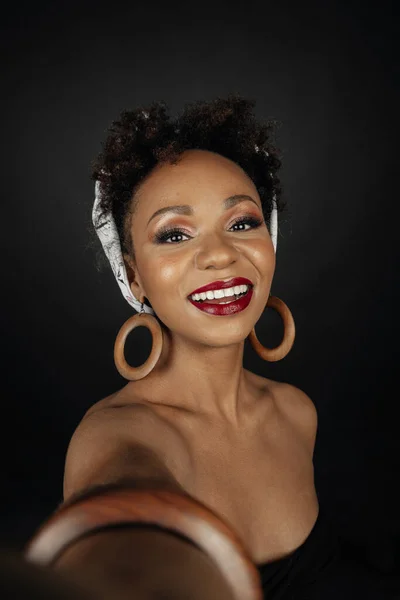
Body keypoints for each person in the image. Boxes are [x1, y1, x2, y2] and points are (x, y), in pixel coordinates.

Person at [27, 94, 343, 599]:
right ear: (133, 276)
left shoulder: (297, 414)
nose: (220, 254)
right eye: (174, 234)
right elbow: (119, 528)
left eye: (242, 223)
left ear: (271, 240)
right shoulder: (115, 437)